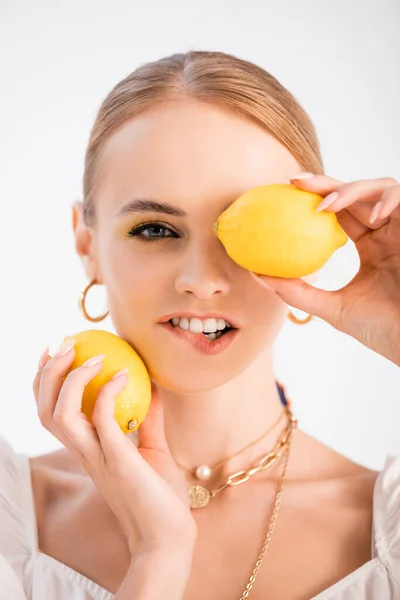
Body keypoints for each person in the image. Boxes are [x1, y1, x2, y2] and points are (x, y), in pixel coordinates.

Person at [0, 50, 399, 600]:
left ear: (308, 249)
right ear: (86, 244)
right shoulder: (11, 528)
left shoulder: (388, 539)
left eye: (245, 228)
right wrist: (158, 556)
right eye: (156, 230)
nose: (202, 280)